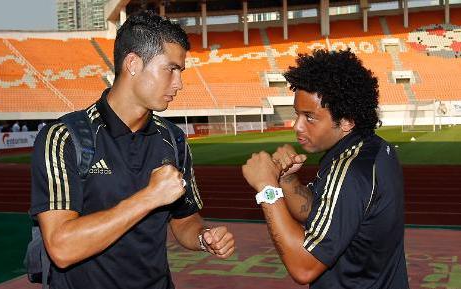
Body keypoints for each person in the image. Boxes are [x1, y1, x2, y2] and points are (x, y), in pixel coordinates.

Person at [30, 11, 235, 289]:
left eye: (181, 72)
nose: (179, 84)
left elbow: (184, 220)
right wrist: (148, 198)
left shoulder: (172, 140)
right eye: (171, 69)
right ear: (133, 63)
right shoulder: (65, 137)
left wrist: (203, 236)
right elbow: (62, 249)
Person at [242, 49, 408, 288]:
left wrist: (267, 188)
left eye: (310, 117)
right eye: (297, 114)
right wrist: (287, 179)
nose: (297, 126)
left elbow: (304, 267)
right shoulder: (370, 149)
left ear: (347, 121)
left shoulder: (350, 169)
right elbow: (318, 213)